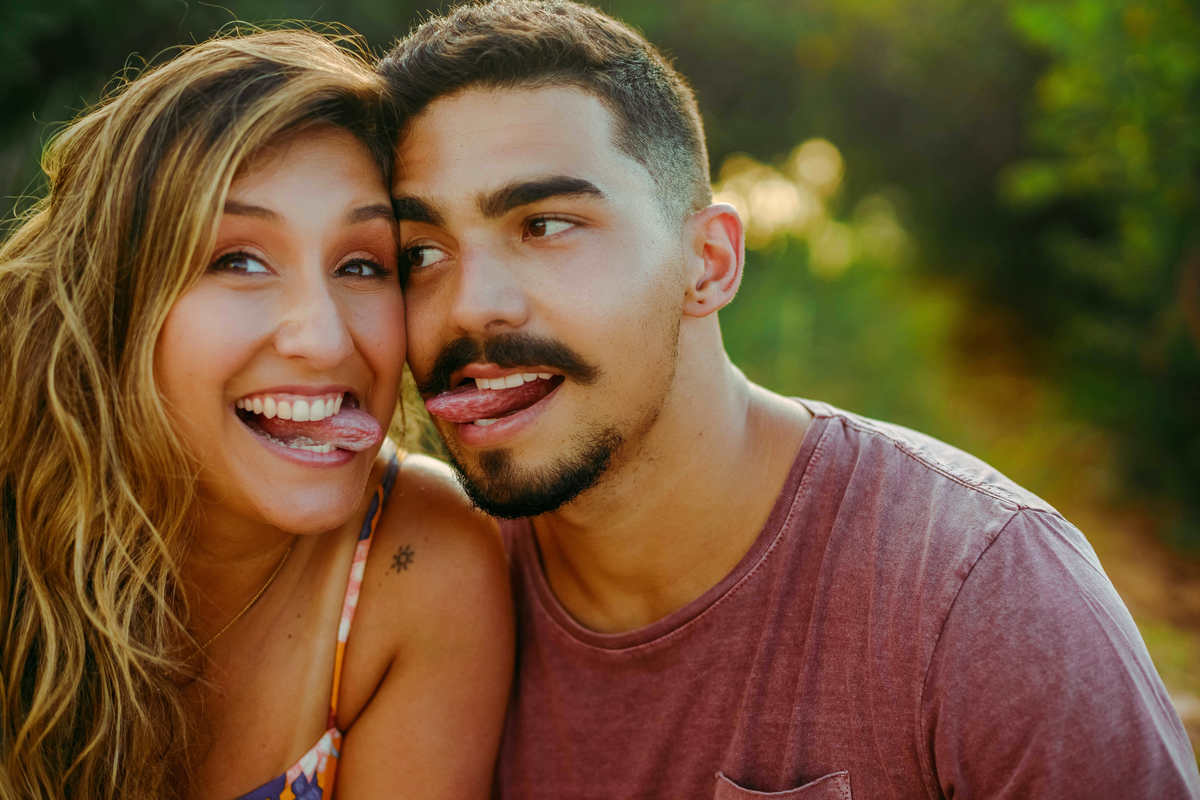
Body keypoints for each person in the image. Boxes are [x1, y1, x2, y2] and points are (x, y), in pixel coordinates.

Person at [377, 2, 1200, 797]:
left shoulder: (979, 592)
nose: (468, 306)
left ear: (709, 262)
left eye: (545, 224)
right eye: (419, 253)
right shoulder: (423, 597)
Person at [0, 29, 512, 800]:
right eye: (238, 260)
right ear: (116, 303)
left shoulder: (418, 564)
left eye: (362, 266)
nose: (323, 337)